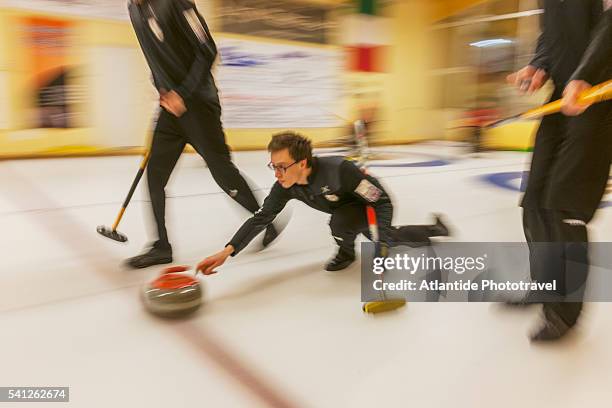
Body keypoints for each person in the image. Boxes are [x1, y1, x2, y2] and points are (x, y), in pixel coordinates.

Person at [126, 0, 278, 268]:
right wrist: (162, 88)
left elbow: (207, 49)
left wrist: (182, 92)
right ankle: (161, 246)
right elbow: (153, 55)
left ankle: (264, 218)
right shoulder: (134, 9)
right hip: (169, 108)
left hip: (199, 105)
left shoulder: (176, 2)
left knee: (223, 174)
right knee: (154, 176)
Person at [196, 132, 450, 275]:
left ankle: (433, 232)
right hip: (344, 211)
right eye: (274, 167)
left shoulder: (340, 170)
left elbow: (381, 201)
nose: (277, 174)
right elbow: (261, 217)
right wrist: (227, 251)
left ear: (303, 163)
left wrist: (381, 237)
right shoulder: (285, 186)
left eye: (282, 167)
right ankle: (348, 252)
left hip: (368, 206)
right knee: (343, 224)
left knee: (386, 239)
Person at [506, 1, 611, 342]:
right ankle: (544, 284)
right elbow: (551, 35)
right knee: (535, 200)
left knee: (564, 205)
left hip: (597, 96)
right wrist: (539, 65)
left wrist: (585, 73)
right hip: (561, 96)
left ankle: (565, 312)